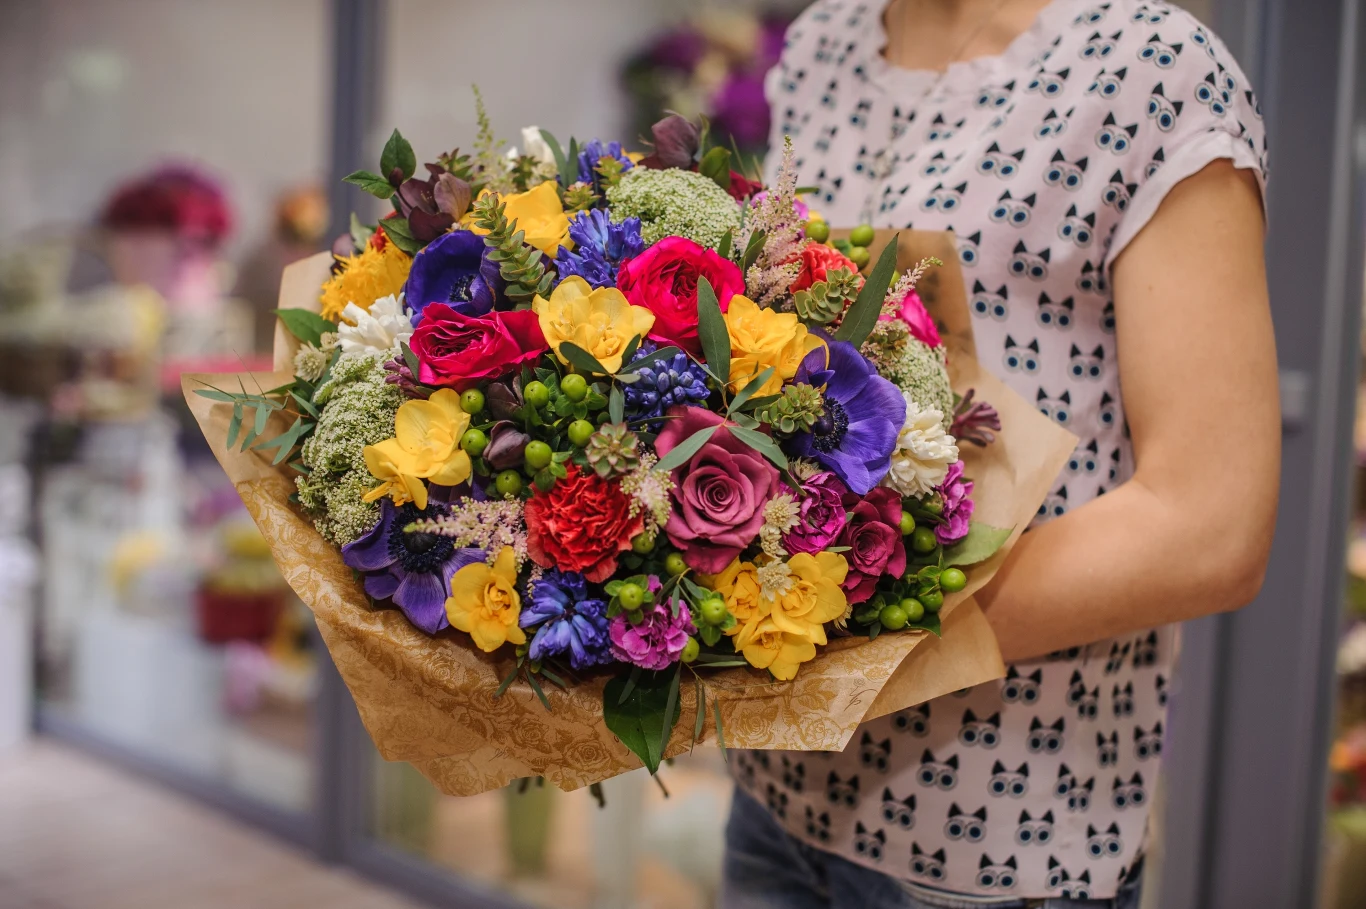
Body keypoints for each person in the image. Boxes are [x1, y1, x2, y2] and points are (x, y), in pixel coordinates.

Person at [720, 1, 1278, 907]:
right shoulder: (827, 38)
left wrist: (852, 634)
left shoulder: (1149, 67)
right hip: (775, 807)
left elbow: (1209, 525)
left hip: (991, 848)